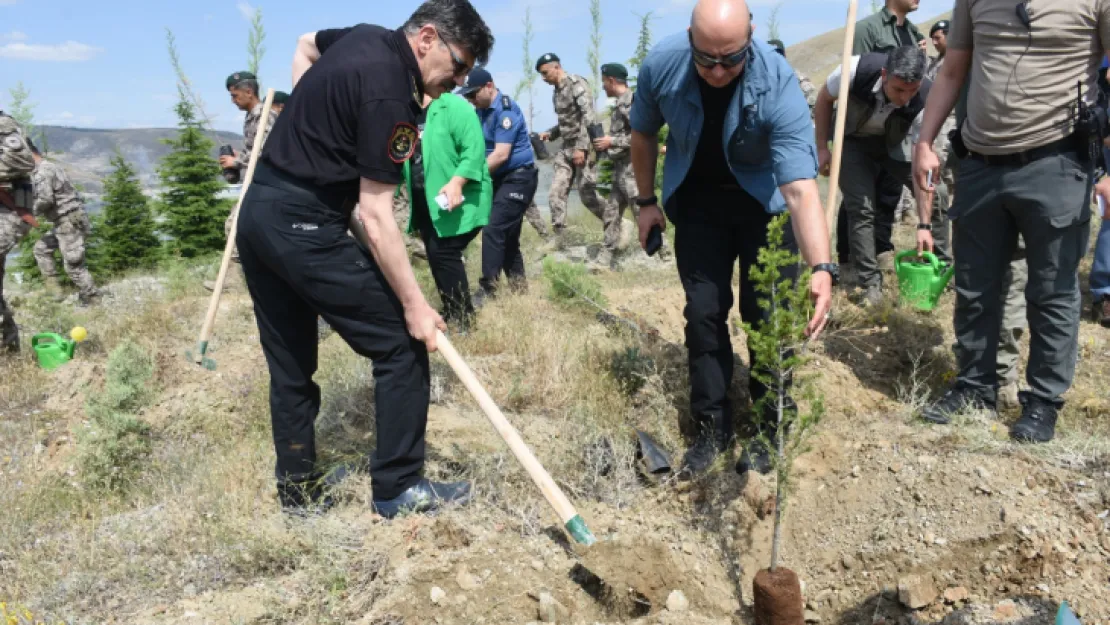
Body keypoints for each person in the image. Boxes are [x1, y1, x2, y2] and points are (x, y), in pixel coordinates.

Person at [235, 0, 494, 516]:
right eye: (459, 64)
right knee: (401, 344)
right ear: (427, 38)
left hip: (259, 214)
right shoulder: (392, 96)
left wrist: (312, 120)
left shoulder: (364, 35)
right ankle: (398, 487)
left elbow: (306, 42)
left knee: (290, 366)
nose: (460, 80)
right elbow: (377, 217)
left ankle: (298, 496)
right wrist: (417, 306)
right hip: (305, 226)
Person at [630, 0, 834, 475]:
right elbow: (642, 134)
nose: (718, 71)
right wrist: (645, 203)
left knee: (767, 314)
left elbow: (801, 189)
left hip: (764, 205)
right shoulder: (662, 65)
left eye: (731, 59)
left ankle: (771, 427)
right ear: (689, 38)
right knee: (703, 313)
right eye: (706, 59)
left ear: (751, 37)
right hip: (699, 205)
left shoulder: (776, 80)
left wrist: (822, 267)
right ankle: (711, 429)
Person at [913, 0, 1110, 442]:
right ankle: (974, 388)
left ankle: (1042, 402)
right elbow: (952, 70)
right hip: (980, 164)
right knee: (975, 286)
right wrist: (925, 141)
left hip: (1058, 162)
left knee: (1052, 291)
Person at [813, 46, 947, 307]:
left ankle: (940, 266)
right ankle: (869, 283)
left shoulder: (926, 98)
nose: (905, 98)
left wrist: (924, 225)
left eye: (912, 90)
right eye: (898, 89)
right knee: (861, 208)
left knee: (938, 191)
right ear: (885, 74)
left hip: (892, 144)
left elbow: (923, 165)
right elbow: (823, 99)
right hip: (851, 142)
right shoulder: (853, 70)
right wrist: (821, 148)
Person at [843, 0, 928, 275]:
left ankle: (882, 249)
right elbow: (855, 82)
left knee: (890, 194)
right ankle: (850, 258)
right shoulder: (867, 29)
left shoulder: (914, 36)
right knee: (861, 199)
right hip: (861, 132)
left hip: (895, 134)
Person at [399, 90, 491, 329]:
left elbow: (473, 149)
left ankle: (463, 319)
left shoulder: (453, 107)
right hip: (427, 202)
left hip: (460, 198)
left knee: (444, 252)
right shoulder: (406, 115)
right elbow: (402, 155)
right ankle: (453, 311)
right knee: (435, 254)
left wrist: (458, 181)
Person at [456, 68, 539, 301]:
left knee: (493, 229)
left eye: (473, 94)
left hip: (519, 178)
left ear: (489, 86)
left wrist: (466, 177)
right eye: (467, 96)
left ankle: (488, 290)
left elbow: (501, 155)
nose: (470, 100)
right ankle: (520, 291)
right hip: (499, 179)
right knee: (508, 236)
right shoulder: (479, 112)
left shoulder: (505, 110)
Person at [208, 71, 279, 292]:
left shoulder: (264, 115)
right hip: (260, 183)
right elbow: (255, 149)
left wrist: (236, 160)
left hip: (271, 184)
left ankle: (235, 282)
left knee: (234, 224)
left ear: (249, 91)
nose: (233, 100)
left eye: (235, 95)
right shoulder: (252, 117)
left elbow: (267, 150)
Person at [594, 62, 671, 263]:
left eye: (604, 82)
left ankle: (666, 255)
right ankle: (605, 257)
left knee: (642, 211)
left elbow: (642, 136)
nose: (603, 87)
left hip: (633, 171)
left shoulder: (632, 102)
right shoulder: (619, 104)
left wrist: (612, 141)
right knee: (611, 214)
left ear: (611, 80)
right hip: (619, 170)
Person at [535, 53, 609, 248]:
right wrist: (550, 134)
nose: (543, 78)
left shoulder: (577, 84)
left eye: (545, 73)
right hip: (565, 148)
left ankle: (615, 223)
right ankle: (561, 237)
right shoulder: (556, 91)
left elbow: (589, 118)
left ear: (556, 67)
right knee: (555, 193)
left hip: (582, 146)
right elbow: (566, 122)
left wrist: (582, 148)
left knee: (587, 195)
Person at [29, 143, 99, 305]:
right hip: (64, 223)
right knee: (41, 249)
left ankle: (93, 298)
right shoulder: (50, 167)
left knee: (74, 265)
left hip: (68, 222)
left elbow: (45, 199)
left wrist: (28, 213)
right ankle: (55, 291)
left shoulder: (43, 171)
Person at [0, 110, 36, 354]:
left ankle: (9, 351)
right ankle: (9, 350)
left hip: (6, 214)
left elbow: (25, 161)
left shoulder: (3, 124)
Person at [766, 39, 817, 119]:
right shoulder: (760, 85)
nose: (775, 58)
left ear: (784, 55)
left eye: (778, 54)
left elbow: (813, 110)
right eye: (771, 55)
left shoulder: (800, 80)